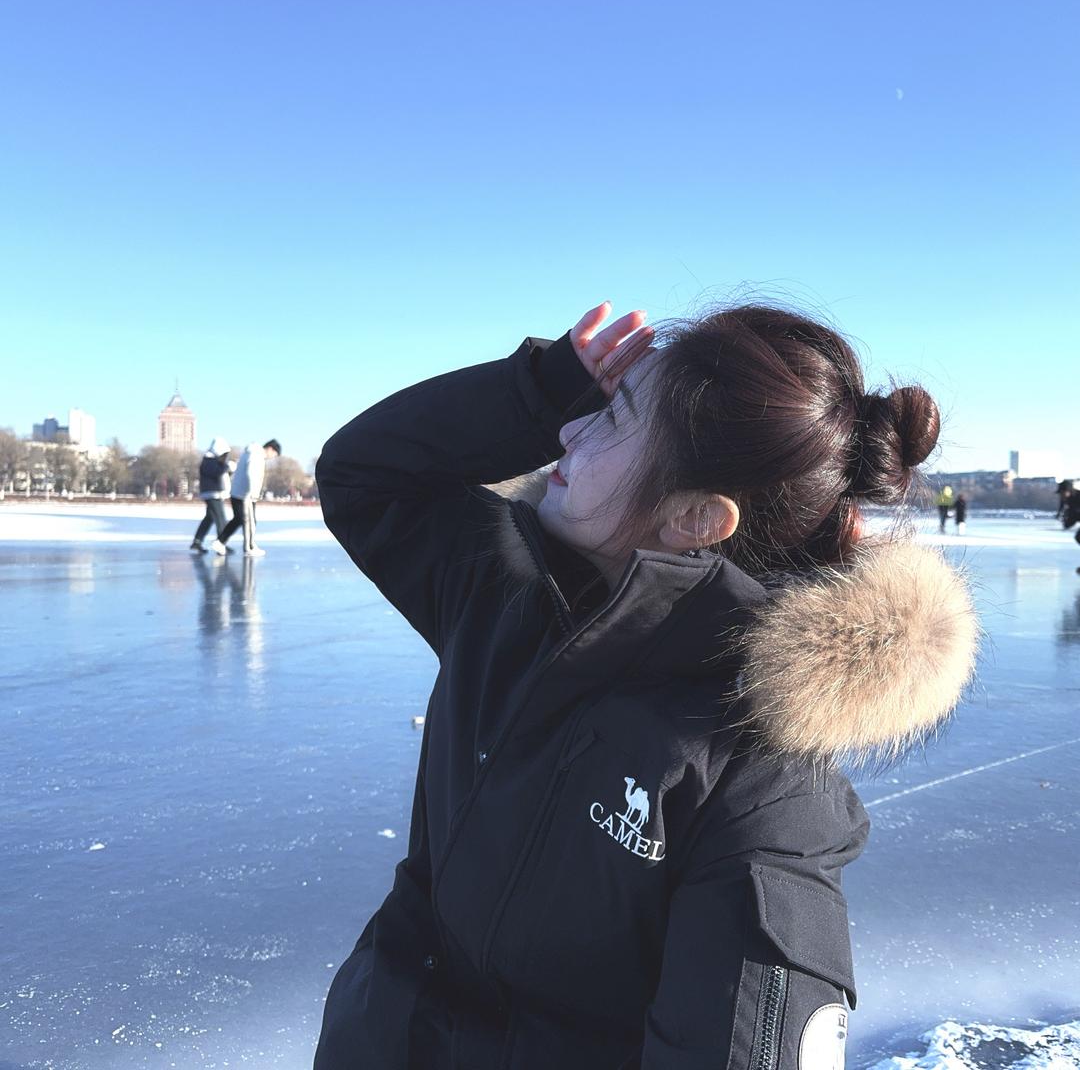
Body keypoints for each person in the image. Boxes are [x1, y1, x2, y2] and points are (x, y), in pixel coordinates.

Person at [312, 302, 978, 1070]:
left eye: (610, 419)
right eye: (588, 409)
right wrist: (537, 389)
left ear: (695, 516)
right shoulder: (503, 595)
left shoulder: (763, 784)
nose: (568, 431)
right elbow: (364, 477)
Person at [210, 439, 281, 557]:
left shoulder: (251, 453)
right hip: (245, 495)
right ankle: (249, 547)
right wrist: (252, 491)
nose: (272, 457)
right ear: (270, 449)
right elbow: (251, 473)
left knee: (239, 519)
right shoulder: (256, 455)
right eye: (274, 454)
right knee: (249, 521)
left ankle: (220, 542)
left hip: (240, 493)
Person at [189, 437, 234, 553]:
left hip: (213, 493)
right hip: (212, 494)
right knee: (220, 519)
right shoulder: (209, 461)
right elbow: (216, 473)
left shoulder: (211, 460)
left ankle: (197, 541)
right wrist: (226, 467)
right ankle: (221, 543)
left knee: (209, 518)